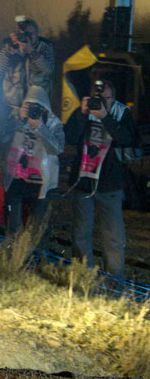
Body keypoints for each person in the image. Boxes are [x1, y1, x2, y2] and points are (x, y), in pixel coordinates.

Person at [64, 80, 138, 276]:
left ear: (113, 98)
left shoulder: (122, 113)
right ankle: (84, 275)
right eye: (98, 98)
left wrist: (106, 118)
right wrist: (81, 114)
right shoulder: (84, 111)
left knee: (113, 236)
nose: (101, 102)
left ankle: (115, 280)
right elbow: (70, 137)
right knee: (81, 233)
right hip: (83, 181)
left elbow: (128, 139)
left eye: (106, 98)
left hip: (111, 183)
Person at [0, 86, 65, 236]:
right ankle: (14, 250)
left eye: (37, 107)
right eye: (29, 105)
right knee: (13, 226)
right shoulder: (15, 117)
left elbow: (57, 149)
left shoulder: (53, 122)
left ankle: (37, 251)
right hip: (15, 180)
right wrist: (19, 120)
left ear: (44, 108)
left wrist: (40, 127)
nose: (32, 110)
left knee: (38, 229)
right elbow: (2, 138)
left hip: (40, 183)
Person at [0, 17, 55, 114]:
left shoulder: (45, 47)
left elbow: (49, 70)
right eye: (24, 34)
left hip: (38, 107)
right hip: (13, 107)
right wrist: (9, 52)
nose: (27, 37)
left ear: (37, 33)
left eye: (30, 34)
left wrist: (32, 52)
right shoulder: (9, 48)